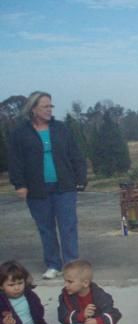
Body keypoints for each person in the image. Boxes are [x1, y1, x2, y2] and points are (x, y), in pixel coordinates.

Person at [8, 91, 87, 280]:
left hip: (64, 186)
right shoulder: (20, 133)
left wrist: (80, 178)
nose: (49, 110)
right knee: (46, 227)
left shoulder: (61, 129)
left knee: (68, 226)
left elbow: (76, 154)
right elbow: (15, 161)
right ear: (33, 109)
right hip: (37, 188)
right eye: (45, 106)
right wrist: (19, 184)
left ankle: (71, 265)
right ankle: (53, 264)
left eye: (51, 106)